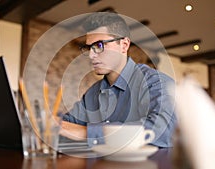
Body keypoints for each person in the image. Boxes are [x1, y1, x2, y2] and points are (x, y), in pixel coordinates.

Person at [59, 12, 176, 148]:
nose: (91, 55)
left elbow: (164, 130)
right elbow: (68, 122)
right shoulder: (93, 93)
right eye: (89, 48)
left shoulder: (156, 82)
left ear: (124, 45)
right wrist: (50, 122)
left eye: (99, 45)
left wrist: (87, 132)